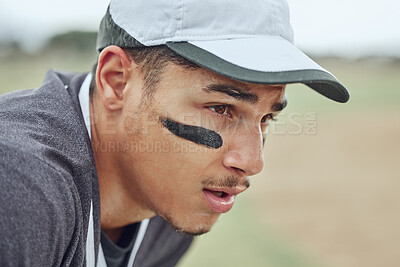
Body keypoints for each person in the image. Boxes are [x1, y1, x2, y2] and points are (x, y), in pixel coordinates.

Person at [0, 0, 349, 266]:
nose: (253, 162)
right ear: (117, 81)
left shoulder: (170, 206)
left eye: (266, 119)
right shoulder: (19, 187)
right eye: (220, 109)